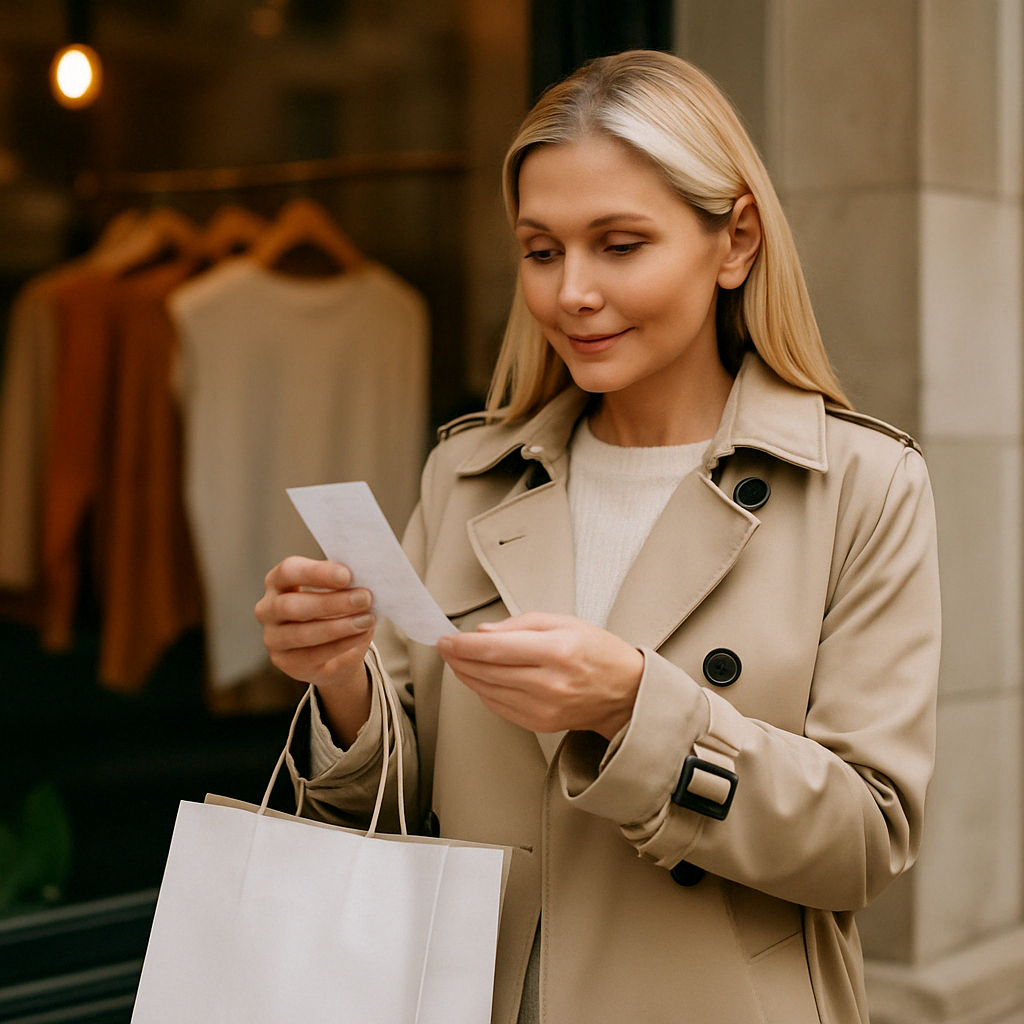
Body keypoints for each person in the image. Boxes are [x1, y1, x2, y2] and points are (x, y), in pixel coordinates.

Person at [255, 50, 940, 1024]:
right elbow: (398, 812)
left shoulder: (862, 487)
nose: (570, 291)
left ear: (734, 240)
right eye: (542, 251)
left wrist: (635, 708)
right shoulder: (465, 474)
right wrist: (341, 681)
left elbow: (864, 844)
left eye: (618, 245)